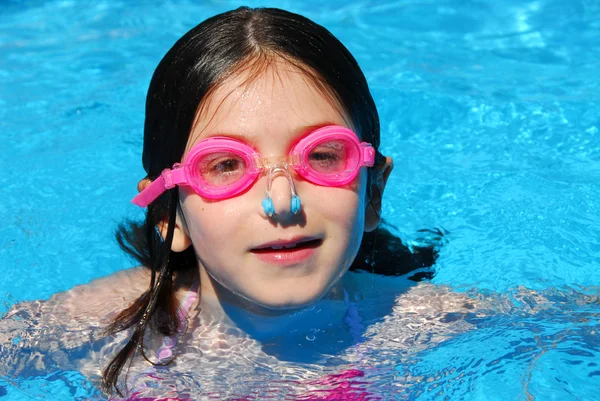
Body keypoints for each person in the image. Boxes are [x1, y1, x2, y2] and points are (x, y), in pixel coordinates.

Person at [1, 6, 449, 399]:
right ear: (168, 213)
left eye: (322, 155)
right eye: (226, 165)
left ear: (373, 193)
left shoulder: (431, 327)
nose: (282, 202)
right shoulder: (98, 327)